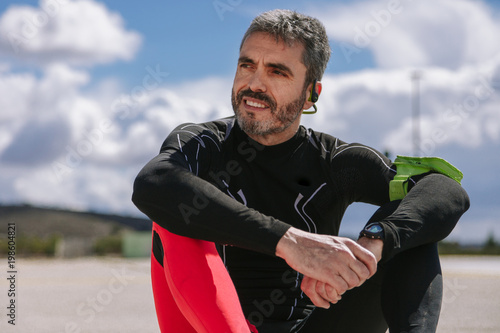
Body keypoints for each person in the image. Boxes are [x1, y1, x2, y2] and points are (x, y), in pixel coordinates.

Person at [132, 9, 470, 333]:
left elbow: (443, 189)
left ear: (311, 93)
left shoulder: (335, 161)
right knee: (173, 209)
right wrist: (290, 243)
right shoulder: (203, 143)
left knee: (410, 227)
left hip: (315, 325)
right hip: (212, 326)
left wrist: (374, 243)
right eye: (247, 65)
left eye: (277, 72)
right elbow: (153, 183)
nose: (254, 84)